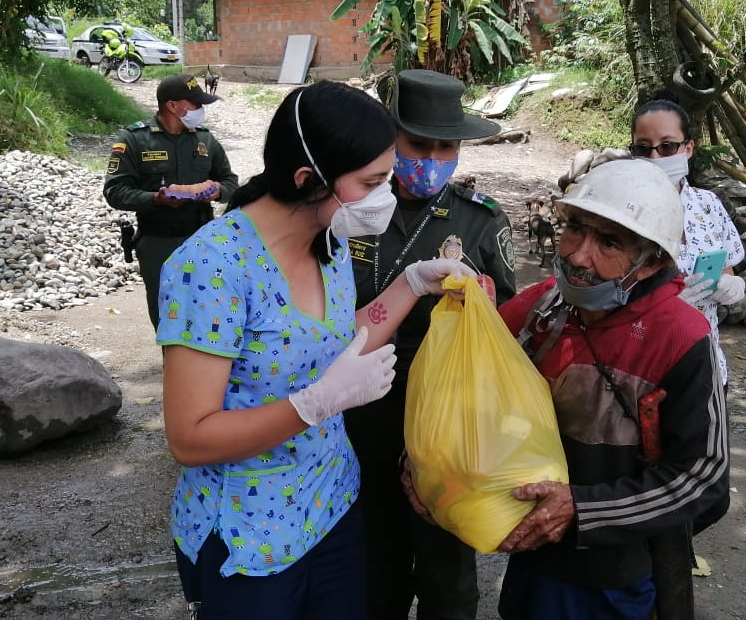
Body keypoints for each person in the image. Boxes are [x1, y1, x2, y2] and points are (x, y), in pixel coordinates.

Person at [155, 81, 474, 620]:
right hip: (251, 531)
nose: (385, 196)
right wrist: (314, 405)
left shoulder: (328, 241)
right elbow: (191, 438)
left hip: (331, 505)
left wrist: (412, 284)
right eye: (372, 182)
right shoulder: (211, 268)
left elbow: (330, 341)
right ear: (307, 179)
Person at [488, 159, 729, 620]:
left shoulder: (681, 336)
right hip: (532, 553)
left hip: (612, 575)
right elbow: (466, 390)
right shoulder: (539, 308)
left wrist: (582, 510)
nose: (579, 256)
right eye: (576, 229)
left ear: (652, 261)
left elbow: (704, 475)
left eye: (609, 242)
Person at [342, 69, 517, 620]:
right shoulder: (352, 209)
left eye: (448, 148)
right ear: (390, 138)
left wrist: (486, 304)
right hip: (359, 410)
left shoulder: (480, 219)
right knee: (374, 558)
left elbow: (508, 323)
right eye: (419, 145)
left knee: (448, 567)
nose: (434, 160)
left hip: (446, 418)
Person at [630, 95, 746, 535]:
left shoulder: (708, 205)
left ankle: (673, 554)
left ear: (688, 148)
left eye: (667, 146)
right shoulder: (620, 209)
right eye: (643, 148)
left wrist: (730, 286)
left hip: (703, 364)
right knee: (647, 484)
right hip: (638, 367)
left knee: (704, 492)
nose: (655, 157)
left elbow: (727, 267)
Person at [104, 73, 239, 330]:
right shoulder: (135, 139)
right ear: (172, 105)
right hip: (158, 243)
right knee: (167, 317)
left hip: (202, 241)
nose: (200, 109)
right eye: (195, 104)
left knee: (208, 314)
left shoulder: (205, 139)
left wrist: (217, 191)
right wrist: (156, 199)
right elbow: (115, 191)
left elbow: (231, 182)